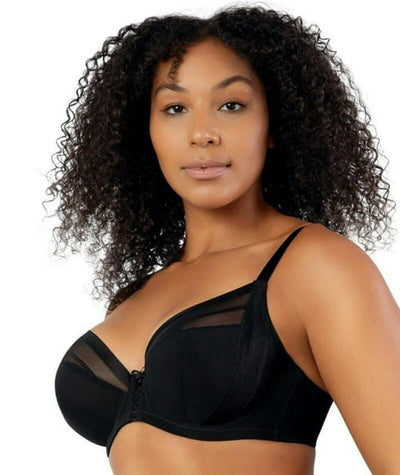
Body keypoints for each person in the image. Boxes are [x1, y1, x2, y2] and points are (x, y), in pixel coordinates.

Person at [45, 4, 400, 474]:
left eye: (231, 105)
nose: (202, 134)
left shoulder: (316, 266)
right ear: (146, 130)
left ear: (274, 124)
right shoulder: (137, 295)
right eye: (174, 108)